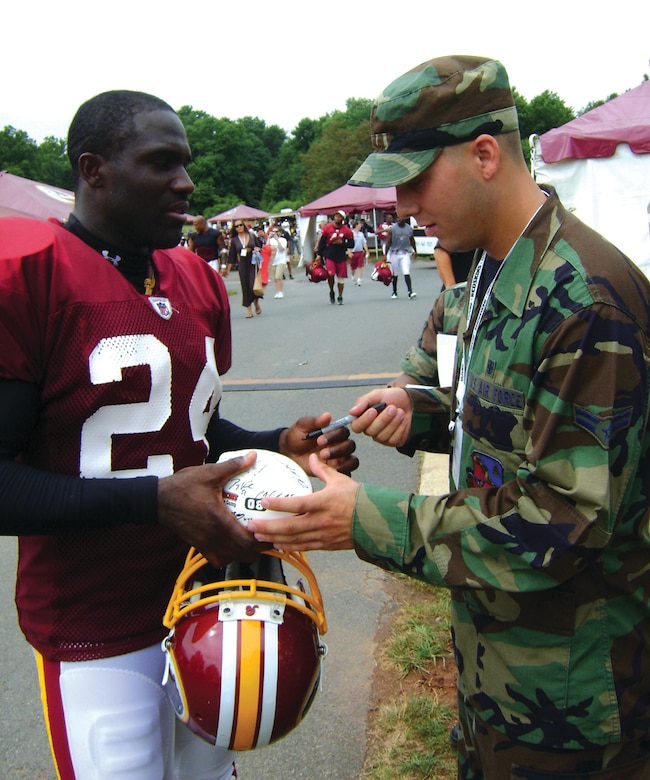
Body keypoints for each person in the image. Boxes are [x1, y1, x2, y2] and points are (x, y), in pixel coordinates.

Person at [246, 55, 650, 779]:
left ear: (485, 154)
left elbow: (563, 523)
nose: (402, 204)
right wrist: (420, 409)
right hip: (496, 670)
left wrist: (366, 519)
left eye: (414, 177)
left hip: (575, 700)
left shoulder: (585, 300)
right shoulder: (482, 278)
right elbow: (494, 416)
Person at [0, 89, 358, 780]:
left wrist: (278, 442)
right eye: (162, 163)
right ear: (94, 169)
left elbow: (187, 428)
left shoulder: (191, 276)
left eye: (186, 163)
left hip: (209, 598)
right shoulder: (32, 275)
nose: (187, 183)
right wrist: (153, 502)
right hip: (97, 623)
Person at [316, 209, 354, 305]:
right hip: (330, 255)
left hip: (341, 256)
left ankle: (340, 296)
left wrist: (342, 243)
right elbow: (322, 242)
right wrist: (319, 255)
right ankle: (331, 290)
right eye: (336, 216)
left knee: (341, 278)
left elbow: (351, 244)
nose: (337, 218)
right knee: (330, 274)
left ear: (343, 219)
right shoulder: (327, 228)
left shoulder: (347, 231)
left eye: (339, 217)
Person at [225, 219, 262, 317]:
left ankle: (256, 302)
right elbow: (231, 256)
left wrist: (257, 249)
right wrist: (228, 269)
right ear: (235, 228)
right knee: (245, 286)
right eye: (237, 226)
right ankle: (249, 309)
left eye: (241, 225)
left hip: (252, 262)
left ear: (244, 225)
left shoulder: (251, 236)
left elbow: (259, 246)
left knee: (253, 285)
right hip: (242, 263)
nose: (239, 227)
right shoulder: (234, 240)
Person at [385, 215, 417, 299]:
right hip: (394, 253)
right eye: (397, 218)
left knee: (406, 271)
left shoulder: (409, 229)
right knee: (395, 273)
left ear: (405, 219)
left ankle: (410, 291)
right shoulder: (393, 229)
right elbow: (388, 242)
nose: (399, 220)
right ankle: (394, 292)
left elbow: (412, 240)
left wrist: (415, 250)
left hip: (405, 253)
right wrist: (385, 254)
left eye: (400, 218)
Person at [268, 225, 289, 298]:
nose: (275, 233)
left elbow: (282, 249)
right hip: (273, 260)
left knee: (278, 276)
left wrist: (277, 240)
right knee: (274, 278)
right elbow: (266, 248)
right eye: (273, 232)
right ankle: (277, 291)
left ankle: (280, 291)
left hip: (281, 260)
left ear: (280, 232)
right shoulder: (270, 240)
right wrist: (268, 238)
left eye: (277, 232)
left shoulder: (283, 240)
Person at [350, 220, 369, 285]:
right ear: (356, 226)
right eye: (359, 225)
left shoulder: (361, 234)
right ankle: (352, 276)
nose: (360, 226)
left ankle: (359, 280)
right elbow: (348, 243)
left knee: (360, 266)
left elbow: (364, 242)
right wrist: (349, 252)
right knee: (353, 267)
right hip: (353, 252)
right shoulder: (351, 233)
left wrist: (366, 250)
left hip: (360, 252)